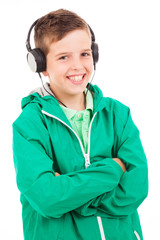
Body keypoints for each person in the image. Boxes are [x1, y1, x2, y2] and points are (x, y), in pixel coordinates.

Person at [12, 9, 148, 240]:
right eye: (64, 57)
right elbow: (47, 198)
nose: (78, 66)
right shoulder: (30, 124)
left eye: (85, 54)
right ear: (40, 64)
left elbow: (136, 188)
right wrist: (114, 168)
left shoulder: (118, 115)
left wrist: (69, 195)